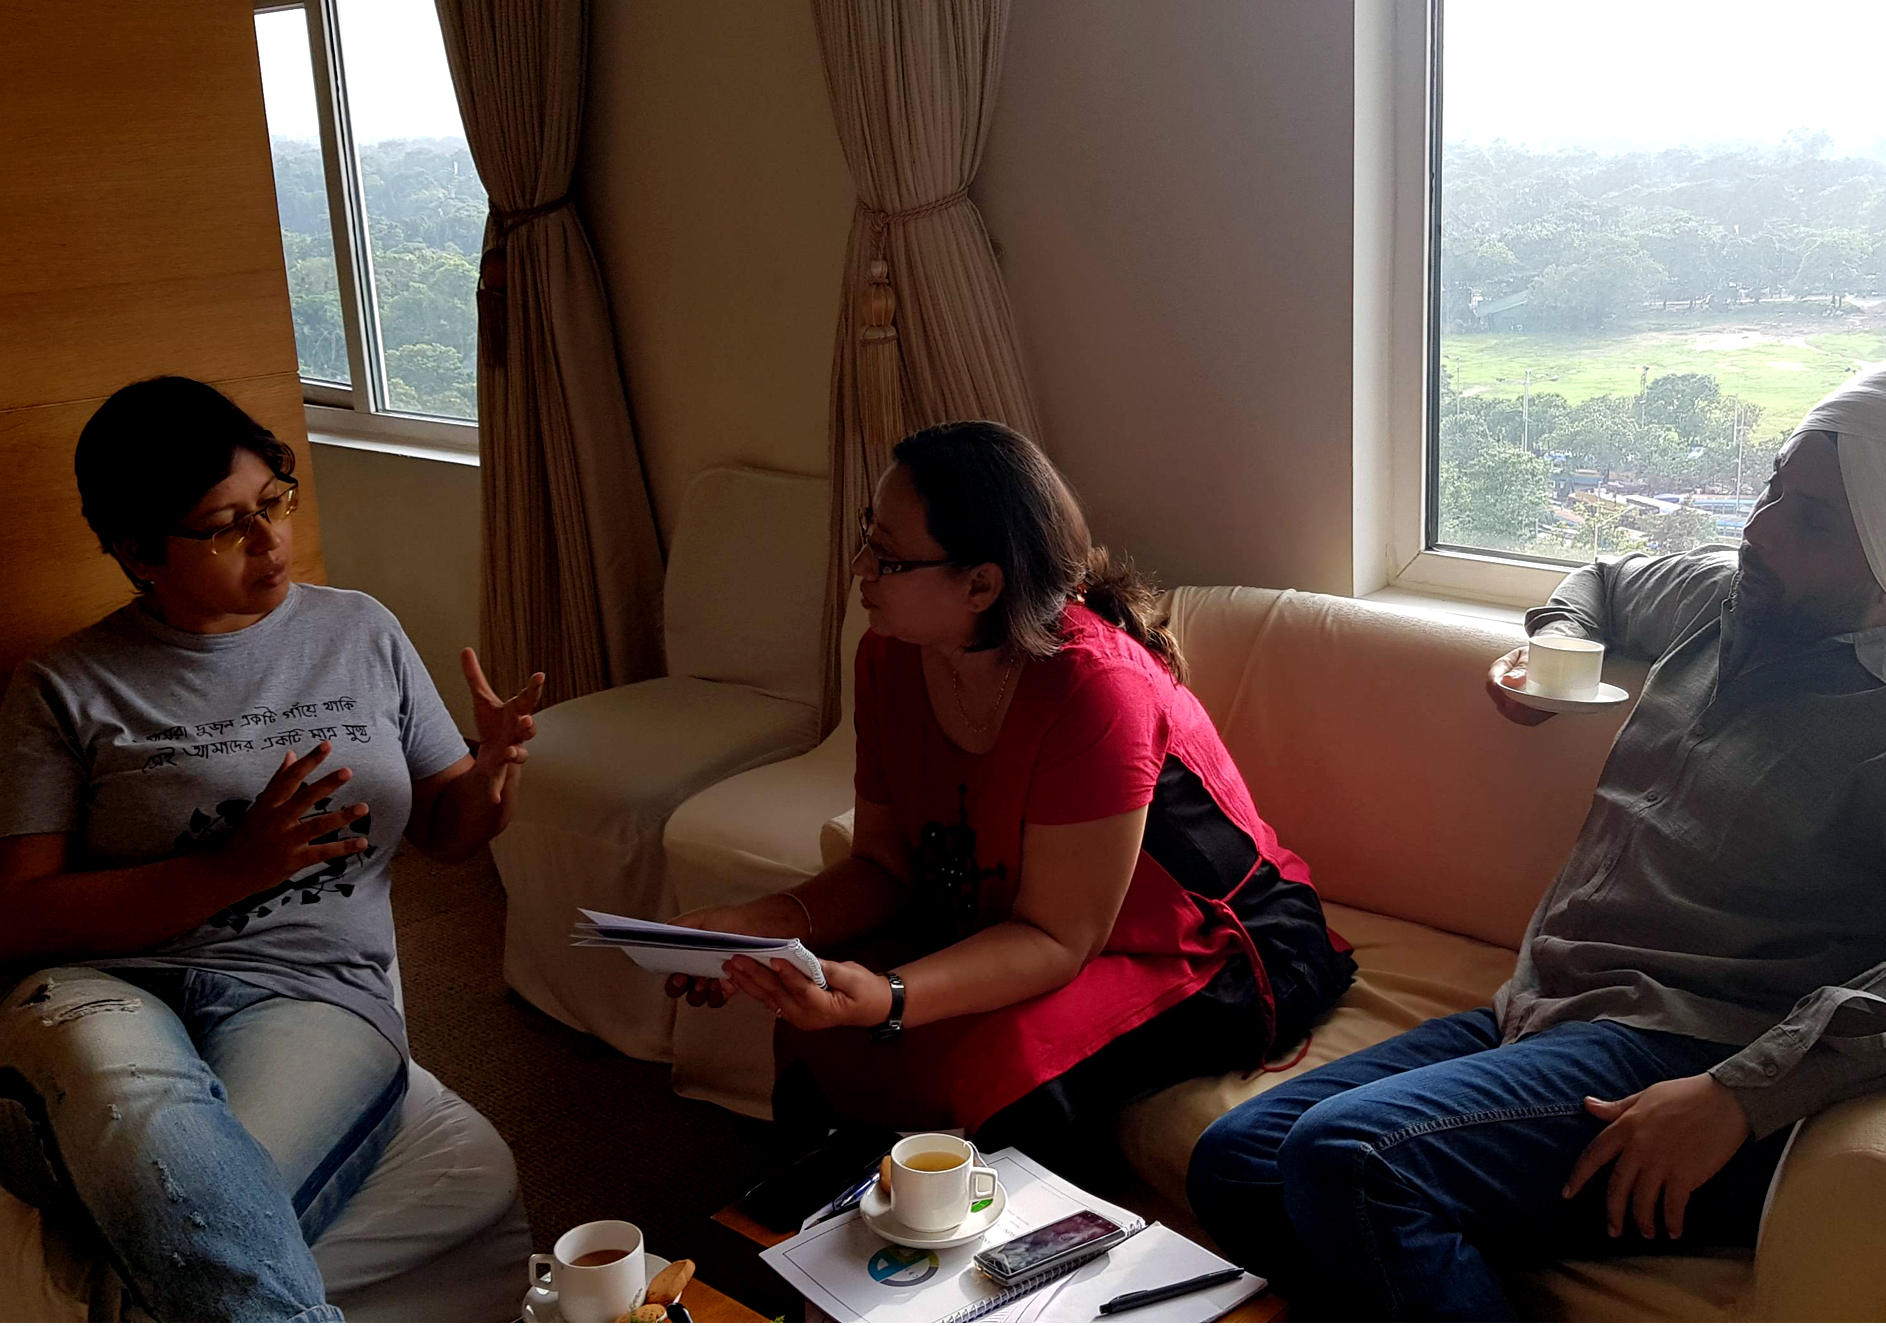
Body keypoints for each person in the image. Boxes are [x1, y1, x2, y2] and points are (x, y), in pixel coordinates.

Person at [1185, 356, 1886, 1318]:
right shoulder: (1723, 602)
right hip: (1547, 1006)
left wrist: (1739, 1095)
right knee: (1235, 1161)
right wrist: (1554, 646)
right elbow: (1604, 580)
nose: (1761, 527)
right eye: (1775, 488)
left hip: (1691, 1058)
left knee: (1349, 1159)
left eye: (1812, 520)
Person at [666, 420, 1355, 1167]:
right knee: (815, 1024)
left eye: (887, 556)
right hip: (1030, 925)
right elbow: (884, 868)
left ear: (981, 584)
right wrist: (755, 925)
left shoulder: (1095, 690)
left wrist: (891, 997)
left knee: (1002, 1066)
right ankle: (815, 1223)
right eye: (867, 535)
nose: (860, 566)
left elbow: (1057, 939)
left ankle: (1000, 1242)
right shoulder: (888, 658)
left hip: (1218, 946)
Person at [0, 377, 544, 1322]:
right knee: (146, 1110)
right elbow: (18, 916)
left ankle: (49, 1142)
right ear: (137, 550)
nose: (269, 541)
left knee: (195, 1215)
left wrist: (492, 777)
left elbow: (448, 833)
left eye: (274, 503)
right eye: (224, 527)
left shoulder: (360, 630)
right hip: (105, 986)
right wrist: (230, 871)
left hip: (314, 993)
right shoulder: (64, 685)